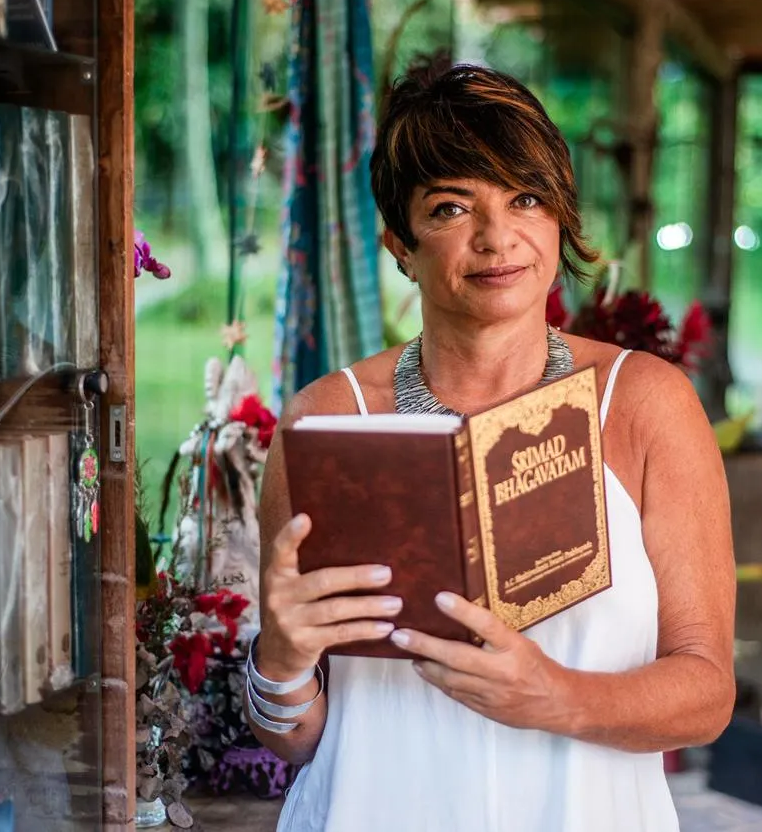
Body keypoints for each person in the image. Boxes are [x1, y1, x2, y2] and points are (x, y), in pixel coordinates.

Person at [249, 64, 735, 832]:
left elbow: (707, 693)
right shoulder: (326, 423)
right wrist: (278, 659)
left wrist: (557, 696)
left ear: (559, 217)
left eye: (526, 199)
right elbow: (301, 739)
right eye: (450, 208)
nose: (496, 237)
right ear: (399, 245)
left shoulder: (643, 405)